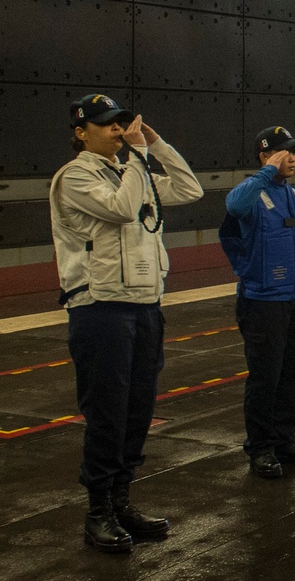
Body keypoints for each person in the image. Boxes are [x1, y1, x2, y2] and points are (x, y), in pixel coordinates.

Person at [50, 94, 203, 553]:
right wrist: (137, 158)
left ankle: (121, 501)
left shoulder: (130, 170)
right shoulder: (75, 175)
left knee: (137, 410)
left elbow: (189, 188)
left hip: (143, 305)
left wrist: (155, 145)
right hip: (100, 308)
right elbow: (119, 208)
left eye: (121, 124)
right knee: (107, 414)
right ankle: (98, 511)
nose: (118, 131)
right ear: (81, 132)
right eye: (106, 125)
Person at [222, 126, 295, 479]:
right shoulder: (252, 193)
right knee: (265, 377)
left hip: (294, 298)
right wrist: (265, 173)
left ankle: (284, 438)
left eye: (294, 151)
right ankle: (260, 447)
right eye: (283, 152)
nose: (292, 158)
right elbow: (234, 204)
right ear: (265, 156)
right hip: (261, 302)